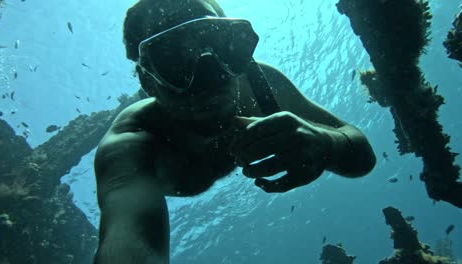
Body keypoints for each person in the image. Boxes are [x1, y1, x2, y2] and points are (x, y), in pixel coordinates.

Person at [93, 0, 377, 263]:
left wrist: (328, 145)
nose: (210, 76)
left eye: (221, 43)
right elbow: (127, 237)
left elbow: (362, 155)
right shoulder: (132, 143)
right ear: (147, 81)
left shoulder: (257, 83)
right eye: (174, 59)